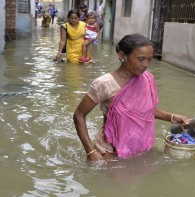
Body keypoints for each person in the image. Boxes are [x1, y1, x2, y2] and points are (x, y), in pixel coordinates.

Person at [73, 34, 189, 162]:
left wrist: (171, 117)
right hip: (110, 149)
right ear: (122, 56)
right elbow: (79, 114)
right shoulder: (104, 84)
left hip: (140, 144)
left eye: (149, 59)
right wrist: (91, 151)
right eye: (141, 59)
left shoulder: (147, 79)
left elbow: (145, 110)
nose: (146, 64)